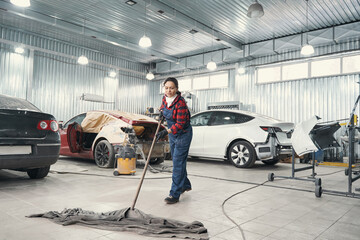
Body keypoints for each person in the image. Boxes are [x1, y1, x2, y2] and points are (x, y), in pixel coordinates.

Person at [156, 77, 192, 204]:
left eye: (172, 88)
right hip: (173, 135)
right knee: (179, 161)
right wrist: (161, 113)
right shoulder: (165, 98)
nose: (169, 90)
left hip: (183, 134)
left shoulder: (181, 103)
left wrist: (165, 132)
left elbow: (180, 124)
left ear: (176, 89)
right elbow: (163, 107)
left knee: (177, 163)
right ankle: (185, 185)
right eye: (166, 88)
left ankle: (174, 194)